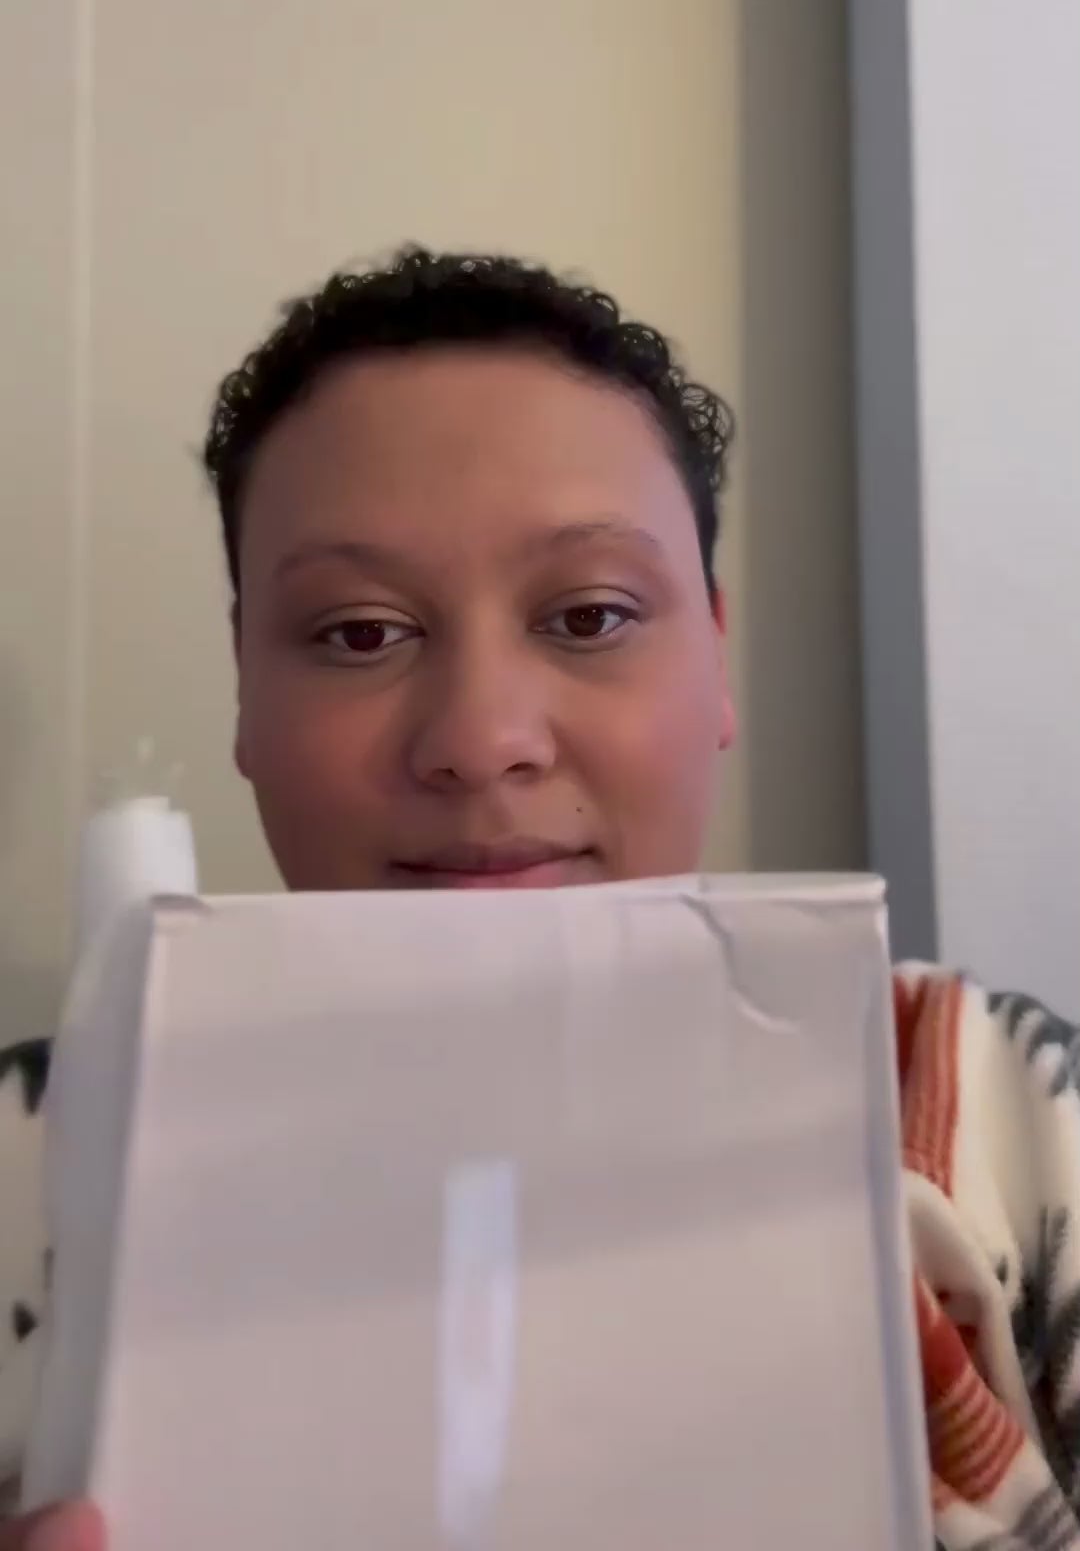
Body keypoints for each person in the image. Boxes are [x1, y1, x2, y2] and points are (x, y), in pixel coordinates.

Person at [3, 249, 1080, 1550]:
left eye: (589, 616)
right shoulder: (33, 1162)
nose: (481, 740)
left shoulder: (1016, 1129)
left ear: (716, 658)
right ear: (246, 687)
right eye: (359, 632)